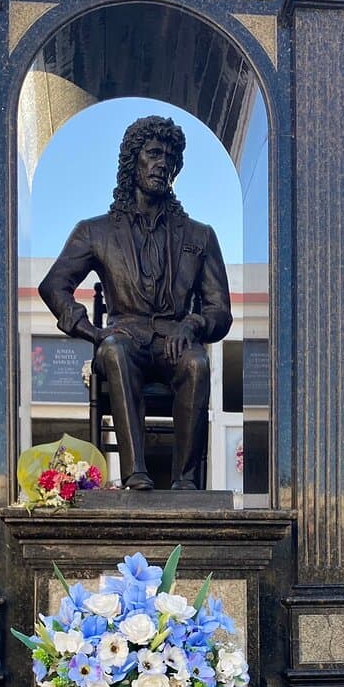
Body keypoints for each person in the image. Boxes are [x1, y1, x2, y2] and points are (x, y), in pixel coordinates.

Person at [38, 116, 232, 490]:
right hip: (125, 336)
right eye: (154, 154)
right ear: (134, 161)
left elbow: (219, 310)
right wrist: (91, 330)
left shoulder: (200, 235)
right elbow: (54, 286)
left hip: (175, 342)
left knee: (197, 362)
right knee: (113, 351)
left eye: (171, 158)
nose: (163, 164)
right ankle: (135, 475)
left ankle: (186, 483)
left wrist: (191, 324)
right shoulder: (95, 230)